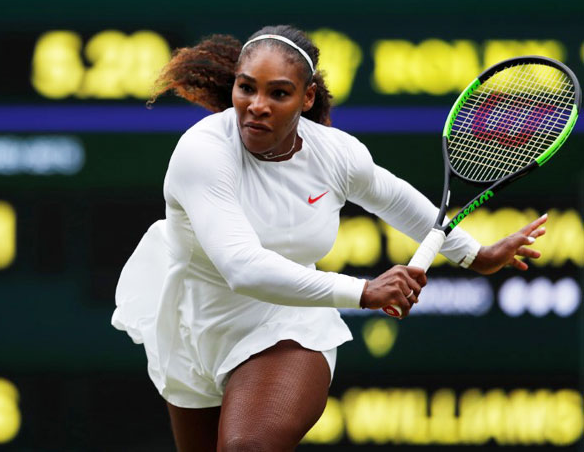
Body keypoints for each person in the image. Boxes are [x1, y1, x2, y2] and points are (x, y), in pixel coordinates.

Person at [111, 25, 547, 451]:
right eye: (247, 88)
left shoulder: (336, 154)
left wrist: (474, 254)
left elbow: (396, 199)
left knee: (249, 445)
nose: (256, 106)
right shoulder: (202, 152)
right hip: (190, 327)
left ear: (307, 98)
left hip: (285, 323)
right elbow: (242, 267)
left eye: (278, 93)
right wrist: (363, 290)